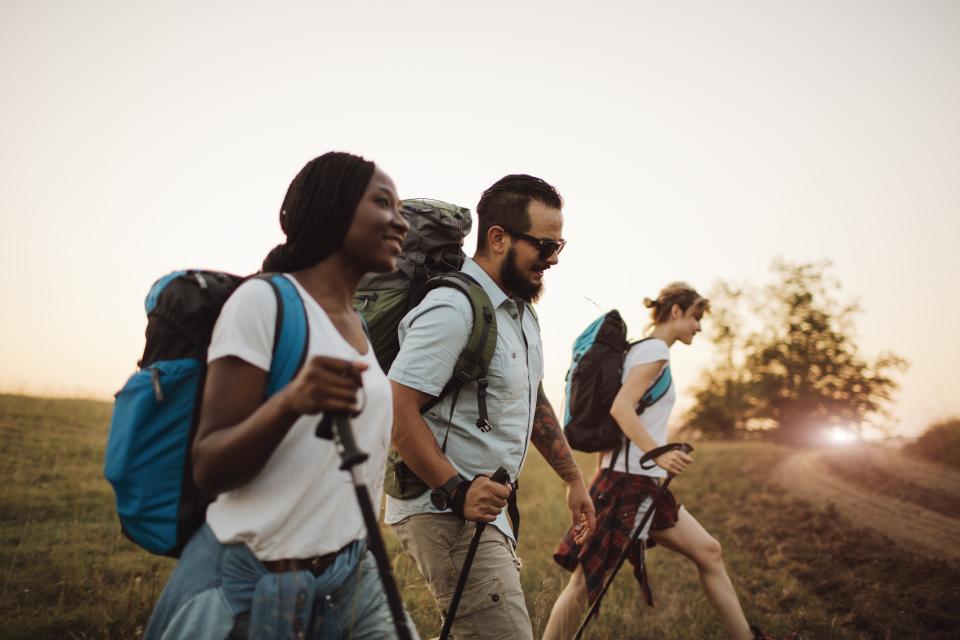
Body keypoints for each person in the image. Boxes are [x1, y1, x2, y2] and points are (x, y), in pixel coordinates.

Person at [144, 151, 420, 639]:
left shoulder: (355, 321)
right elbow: (210, 465)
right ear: (331, 207)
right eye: (383, 203)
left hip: (351, 574)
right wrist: (292, 402)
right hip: (255, 582)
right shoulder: (264, 302)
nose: (400, 223)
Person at [386, 174, 597, 639]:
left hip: (484, 511)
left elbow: (531, 397)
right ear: (498, 238)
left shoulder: (519, 313)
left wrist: (573, 478)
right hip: (445, 510)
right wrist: (458, 491)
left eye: (560, 245)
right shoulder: (452, 307)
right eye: (544, 246)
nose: (554, 259)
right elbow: (396, 409)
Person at [544, 283, 773, 640]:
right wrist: (660, 453)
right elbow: (621, 408)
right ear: (676, 312)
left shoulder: (641, 351)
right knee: (583, 581)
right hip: (626, 483)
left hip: (638, 482)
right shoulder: (654, 352)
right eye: (696, 316)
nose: (699, 326)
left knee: (709, 552)